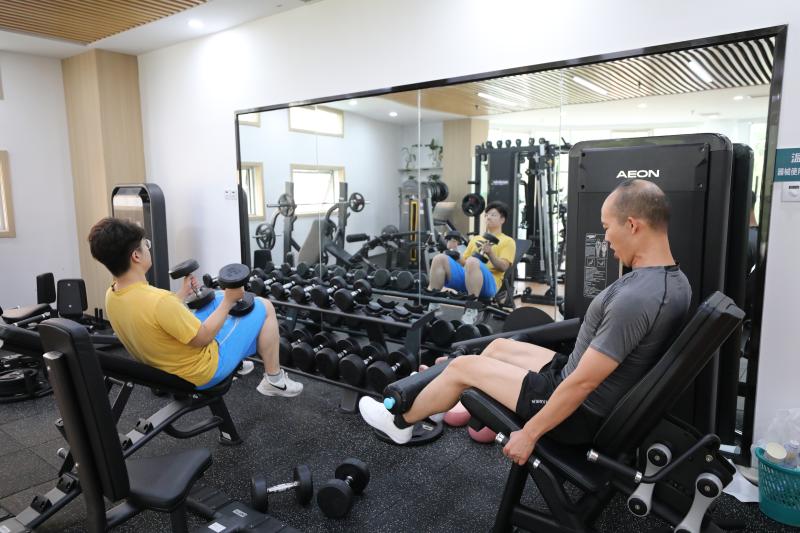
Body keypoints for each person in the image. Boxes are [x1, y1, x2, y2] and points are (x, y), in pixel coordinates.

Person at [360, 179, 691, 465]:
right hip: (573, 377)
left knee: (462, 367)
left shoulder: (637, 298)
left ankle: (399, 423)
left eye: (607, 227)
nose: (605, 238)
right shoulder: (672, 281)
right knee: (498, 346)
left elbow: (583, 384)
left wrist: (530, 433)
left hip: (576, 412)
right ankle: (433, 404)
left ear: (632, 225)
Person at [87, 217, 302, 397]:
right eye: (146, 245)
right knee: (264, 306)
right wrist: (228, 302)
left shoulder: (112, 295)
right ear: (136, 256)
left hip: (165, 364)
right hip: (202, 370)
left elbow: (153, 318)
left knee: (214, 298)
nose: (147, 248)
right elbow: (203, 338)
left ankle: (237, 360)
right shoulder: (160, 301)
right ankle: (274, 379)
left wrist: (182, 294)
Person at [427, 201, 516, 324]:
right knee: (439, 258)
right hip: (468, 279)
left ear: (502, 219)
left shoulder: (508, 241)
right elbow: (464, 263)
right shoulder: (476, 239)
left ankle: (472, 309)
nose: (488, 217)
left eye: (493, 215)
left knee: (473, 261)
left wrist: (490, 253)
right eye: (487, 215)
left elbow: (504, 267)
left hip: (489, 284)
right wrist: (455, 253)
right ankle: (434, 303)